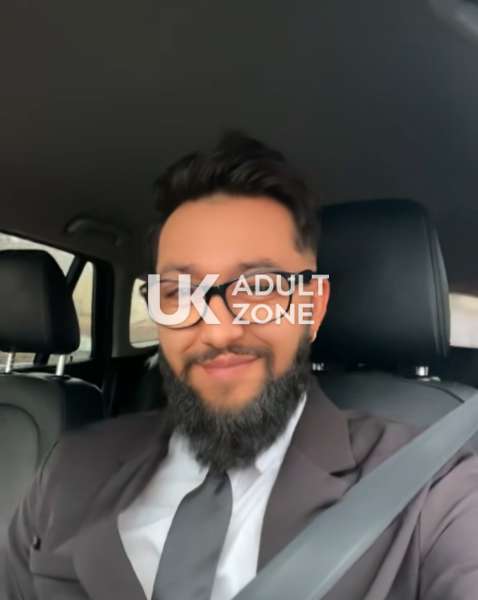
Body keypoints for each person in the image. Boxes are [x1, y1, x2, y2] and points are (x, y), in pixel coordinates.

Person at [4, 132, 478, 600]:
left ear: (313, 308)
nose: (218, 331)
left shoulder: (431, 491)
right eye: (179, 292)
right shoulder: (68, 474)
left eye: (260, 287)